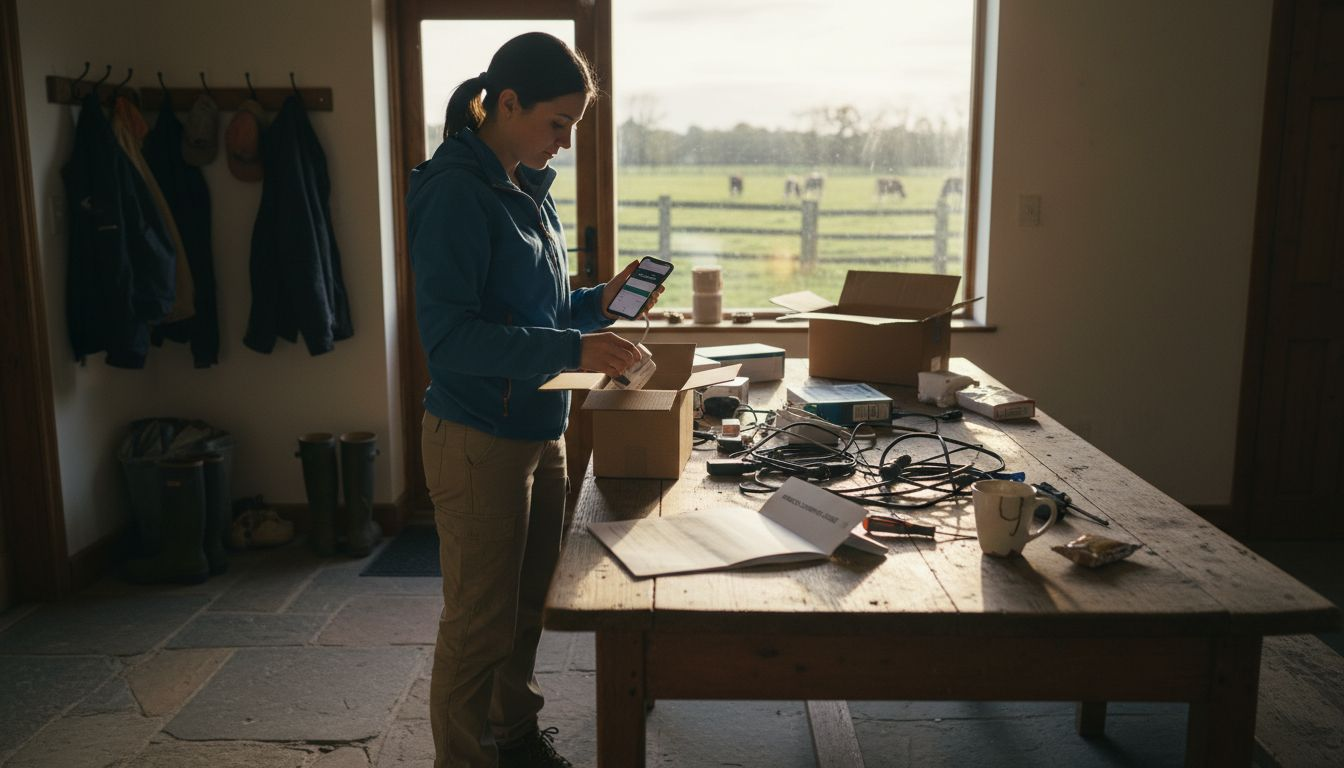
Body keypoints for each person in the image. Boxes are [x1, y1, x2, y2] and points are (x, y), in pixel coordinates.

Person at [406, 32, 662, 768]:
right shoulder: (456, 189)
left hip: (536, 428)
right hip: (477, 435)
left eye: (574, 129)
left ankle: (513, 739)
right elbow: (452, 339)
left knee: (523, 611)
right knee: (478, 623)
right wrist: (571, 349)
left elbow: (538, 315)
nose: (565, 143)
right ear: (507, 103)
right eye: (558, 125)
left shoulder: (518, 185)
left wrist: (598, 302)